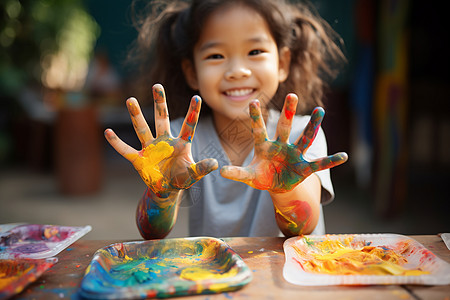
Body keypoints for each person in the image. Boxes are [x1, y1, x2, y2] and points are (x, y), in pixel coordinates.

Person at [104, 0, 348, 239]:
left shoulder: (300, 136)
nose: (237, 70)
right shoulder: (179, 143)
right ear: (192, 73)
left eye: (255, 51)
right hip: (214, 277)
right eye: (216, 56)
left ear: (282, 63)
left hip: (287, 277)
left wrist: (285, 191)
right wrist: (162, 194)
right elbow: (151, 231)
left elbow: (302, 228)